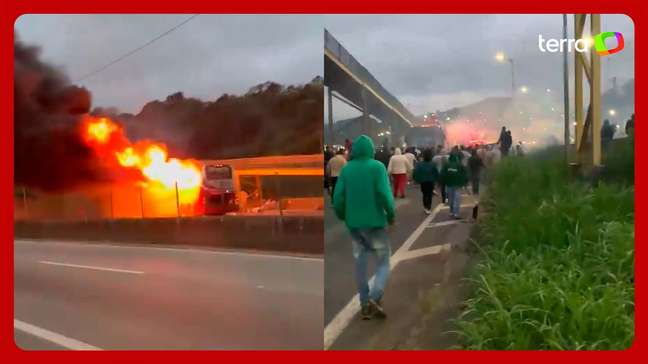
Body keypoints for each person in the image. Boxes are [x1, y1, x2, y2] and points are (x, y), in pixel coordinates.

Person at [333, 135, 395, 320]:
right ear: (370, 150)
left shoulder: (347, 169)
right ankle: (375, 297)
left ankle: (364, 303)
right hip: (375, 223)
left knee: (360, 264)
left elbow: (337, 198)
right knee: (383, 262)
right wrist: (390, 216)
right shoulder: (377, 167)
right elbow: (385, 195)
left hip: (355, 225)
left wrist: (343, 215)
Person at [441, 150, 468, 219]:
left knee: (451, 198)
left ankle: (451, 212)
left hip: (449, 184)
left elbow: (442, 174)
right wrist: (465, 182)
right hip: (458, 184)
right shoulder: (460, 165)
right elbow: (465, 174)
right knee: (457, 199)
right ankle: (456, 213)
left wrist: (442, 182)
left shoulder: (446, 165)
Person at [413, 148, 439, 214]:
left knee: (424, 194)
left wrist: (416, 180)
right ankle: (428, 207)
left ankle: (425, 207)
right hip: (431, 181)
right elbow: (436, 172)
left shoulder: (420, 164)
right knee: (430, 195)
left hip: (423, 181)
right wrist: (437, 180)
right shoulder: (433, 164)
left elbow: (416, 172)